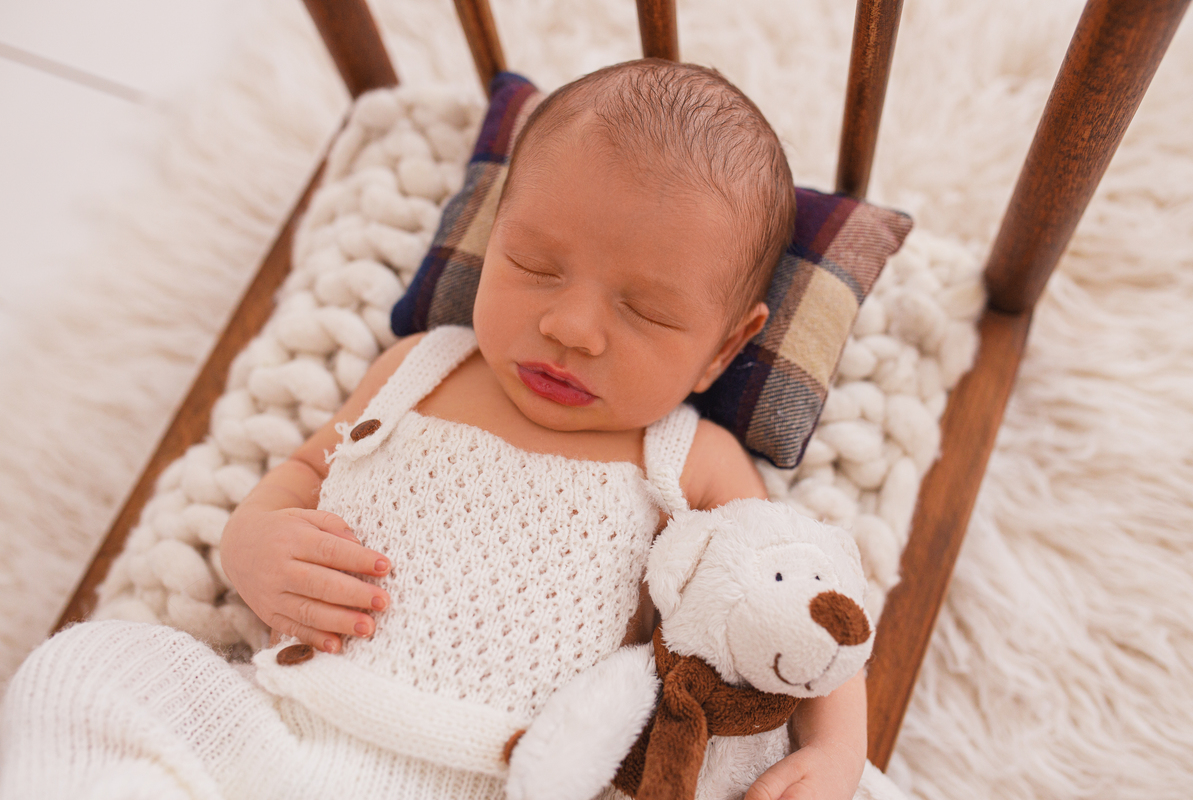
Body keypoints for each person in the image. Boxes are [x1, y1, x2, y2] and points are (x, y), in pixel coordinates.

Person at [0, 59, 865, 800]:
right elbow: (306, 472)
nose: (570, 327)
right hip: (291, 731)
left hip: (522, 771)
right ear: (493, 239)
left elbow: (801, 606)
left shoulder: (693, 459)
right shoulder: (422, 366)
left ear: (725, 348)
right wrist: (252, 543)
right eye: (533, 265)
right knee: (86, 671)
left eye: (643, 312)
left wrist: (835, 751)